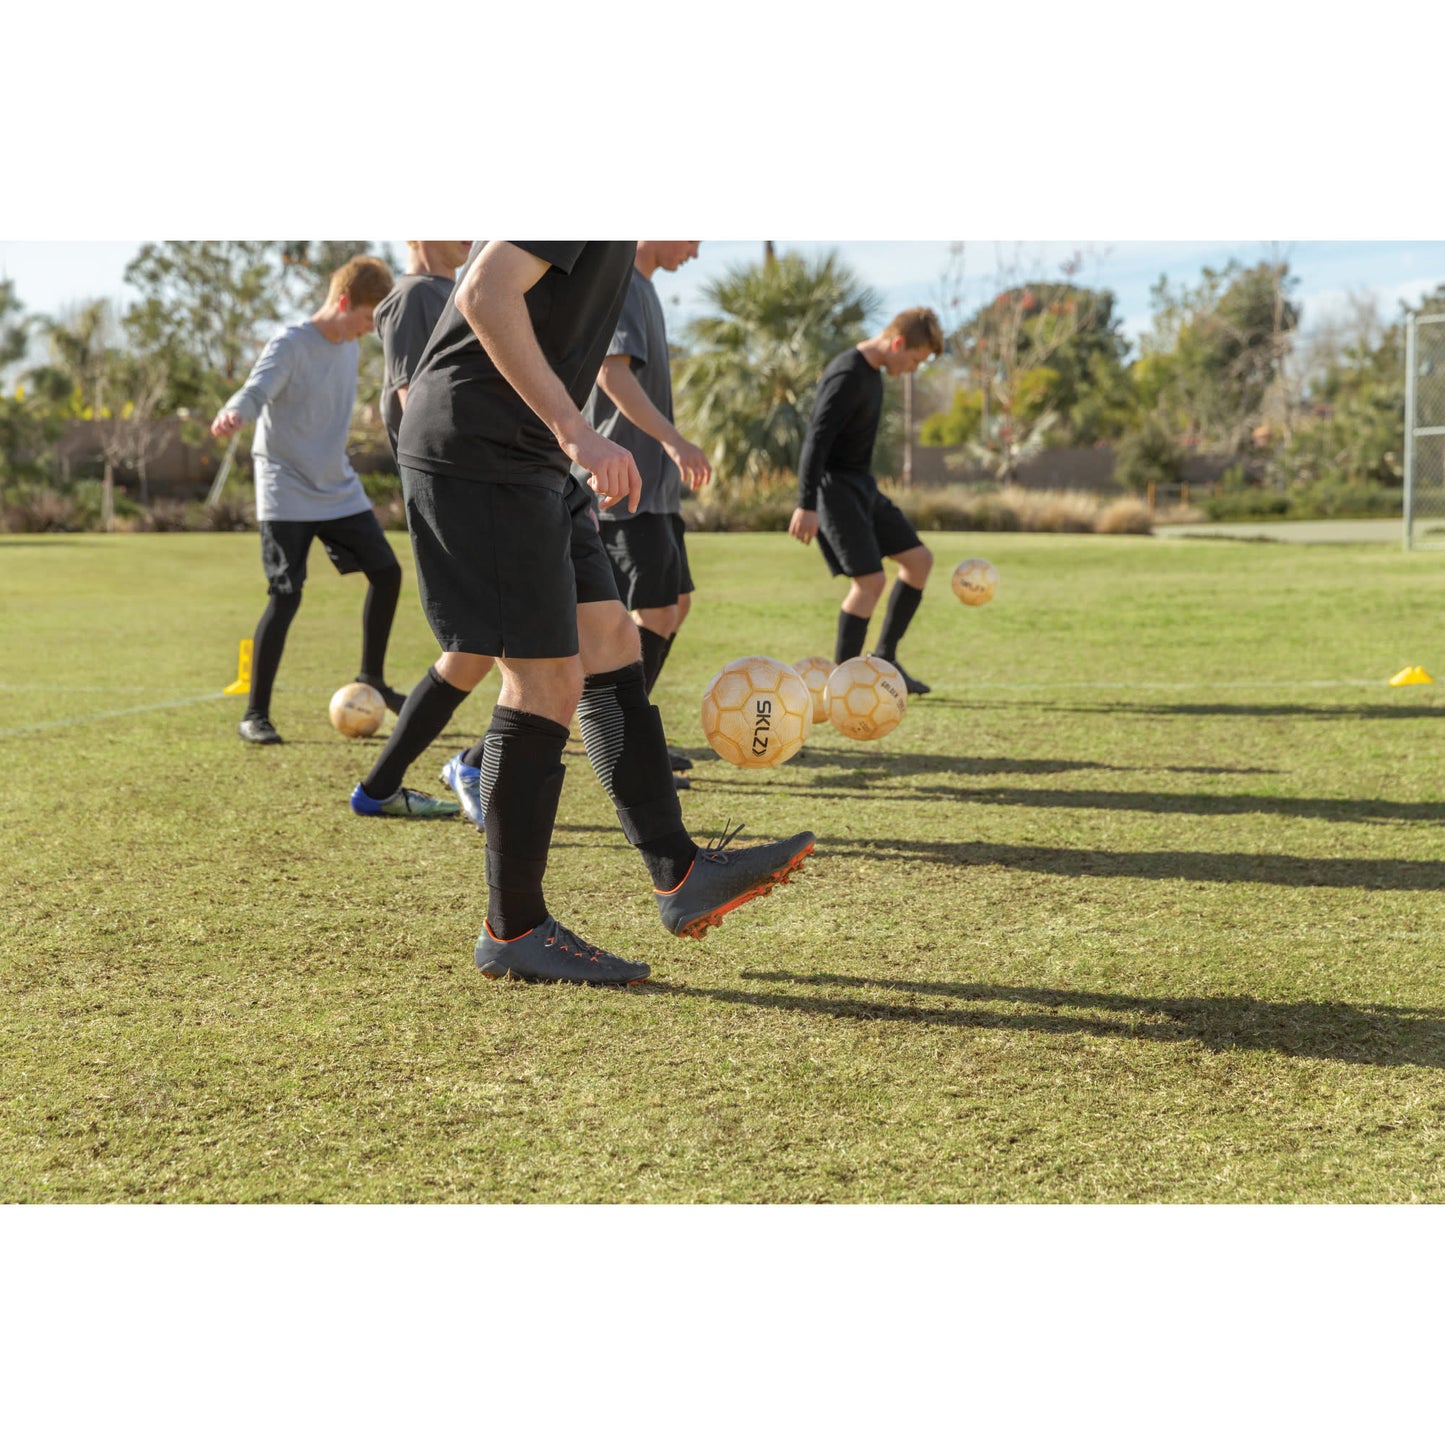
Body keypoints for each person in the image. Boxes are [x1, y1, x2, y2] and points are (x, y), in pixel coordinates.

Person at [397, 241, 815, 985]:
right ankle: (513, 926)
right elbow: (485, 293)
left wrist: (565, 440)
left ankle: (679, 872)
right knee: (544, 679)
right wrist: (575, 429)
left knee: (611, 638)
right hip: (481, 449)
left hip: (533, 457)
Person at [213, 255, 412, 746]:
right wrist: (234, 413)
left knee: (387, 572)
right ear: (343, 303)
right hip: (285, 486)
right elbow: (255, 389)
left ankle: (372, 679)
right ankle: (255, 714)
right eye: (367, 319)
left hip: (335, 484)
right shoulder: (292, 342)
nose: (368, 331)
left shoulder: (346, 346)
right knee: (286, 595)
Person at [348, 241, 488, 820]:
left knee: (481, 649)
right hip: (458, 495)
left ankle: (384, 785)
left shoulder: (452, 291)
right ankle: (470, 765)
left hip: (482, 490)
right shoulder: (412, 298)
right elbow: (419, 407)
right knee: (512, 648)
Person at [578, 241, 709, 788]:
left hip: (654, 489)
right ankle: (622, 744)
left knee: (672, 605)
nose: (696, 250)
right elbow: (612, 375)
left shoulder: (645, 286)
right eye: (693, 234)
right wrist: (676, 441)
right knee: (652, 612)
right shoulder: (623, 280)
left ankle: (630, 736)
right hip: (624, 485)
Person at [788, 308, 945, 694]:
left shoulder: (873, 375)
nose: (912, 369)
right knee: (870, 582)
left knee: (919, 561)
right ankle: (844, 683)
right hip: (833, 490)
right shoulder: (847, 375)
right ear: (897, 343)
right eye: (914, 360)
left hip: (862, 486)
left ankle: (885, 659)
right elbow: (816, 440)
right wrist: (806, 504)